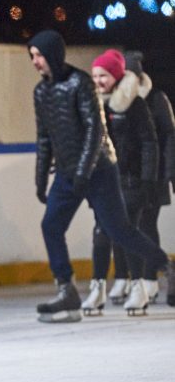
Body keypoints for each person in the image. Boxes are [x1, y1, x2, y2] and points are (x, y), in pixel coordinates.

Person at [27, 30, 174, 323]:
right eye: (31, 56)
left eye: (38, 56)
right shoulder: (41, 92)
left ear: (53, 55)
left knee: (119, 230)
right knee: (51, 226)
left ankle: (166, 267)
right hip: (69, 172)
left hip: (100, 169)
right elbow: (44, 138)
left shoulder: (81, 83)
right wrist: (41, 177)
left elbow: (95, 131)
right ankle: (66, 289)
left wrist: (83, 172)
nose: (34, 62)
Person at [82, 50, 158, 316]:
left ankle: (138, 287)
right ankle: (98, 287)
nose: (98, 80)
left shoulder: (134, 105)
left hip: (131, 179)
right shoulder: (92, 105)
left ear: (115, 76)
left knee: (129, 232)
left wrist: (148, 180)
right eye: (94, 76)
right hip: (104, 180)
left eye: (103, 75)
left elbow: (150, 142)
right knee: (101, 234)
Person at [124, 51, 175, 305]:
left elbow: (169, 136)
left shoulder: (156, 99)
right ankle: (136, 279)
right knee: (129, 226)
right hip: (128, 175)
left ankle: (150, 279)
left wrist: (170, 173)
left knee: (146, 223)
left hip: (153, 174)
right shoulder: (120, 101)